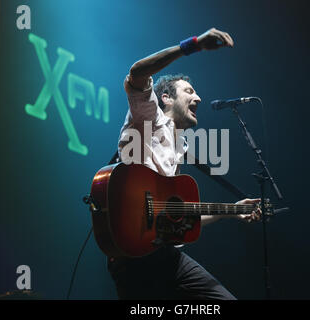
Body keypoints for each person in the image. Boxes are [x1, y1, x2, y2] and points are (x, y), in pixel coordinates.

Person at [108, 28, 261, 300]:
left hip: (164, 253)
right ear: (165, 98)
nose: (198, 98)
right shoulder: (149, 116)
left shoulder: (182, 148)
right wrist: (193, 45)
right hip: (133, 253)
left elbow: (177, 217)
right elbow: (137, 72)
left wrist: (232, 211)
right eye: (189, 91)